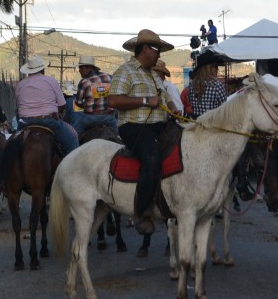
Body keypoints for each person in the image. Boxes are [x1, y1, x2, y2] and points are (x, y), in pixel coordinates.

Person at [108, 28, 174, 235]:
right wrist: (146, 101)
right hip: (135, 127)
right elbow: (114, 100)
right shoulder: (125, 71)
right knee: (152, 157)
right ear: (145, 49)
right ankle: (141, 211)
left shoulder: (153, 76)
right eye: (157, 50)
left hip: (160, 125)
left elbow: (164, 98)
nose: (159, 55)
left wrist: (173, 109)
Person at [16, 57, 79, 155]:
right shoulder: (50, 81)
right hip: (48, 121)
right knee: (72, 142)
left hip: (25, 123)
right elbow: (62, 105)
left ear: (28, 71)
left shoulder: (20, 84)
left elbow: (19, 104)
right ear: (43, 69)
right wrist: (56, 113)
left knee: (10, 146)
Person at [72, 55, 117, 135]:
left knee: (73, 134)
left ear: (89, 68)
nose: (79, 70)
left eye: (81, 68)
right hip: (109, 118)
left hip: (90, 118)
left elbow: (78, 103)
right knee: (122, 137)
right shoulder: (109, 77)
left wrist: (86, 105)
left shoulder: (84, 82)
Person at [188, 51, 227, 119]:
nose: (217, 69)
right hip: (211, 125)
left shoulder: (191, 85)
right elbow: (225, 110)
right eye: (215, 66)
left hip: (195, 125)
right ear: (209, 68)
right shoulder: (217, 86)